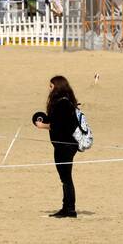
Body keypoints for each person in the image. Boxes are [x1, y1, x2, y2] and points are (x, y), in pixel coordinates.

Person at [33, 76, 80, 218]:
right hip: (63, 145)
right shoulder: (64, 102)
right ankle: (67, 207)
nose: (49, 89)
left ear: (57, 87)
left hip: (65, 146)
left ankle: (69, 209)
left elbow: (59, 126)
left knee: (66, 178)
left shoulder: (63, 103)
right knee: (65, 178)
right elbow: (58, 121)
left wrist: (43, 126)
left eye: (51, 86)